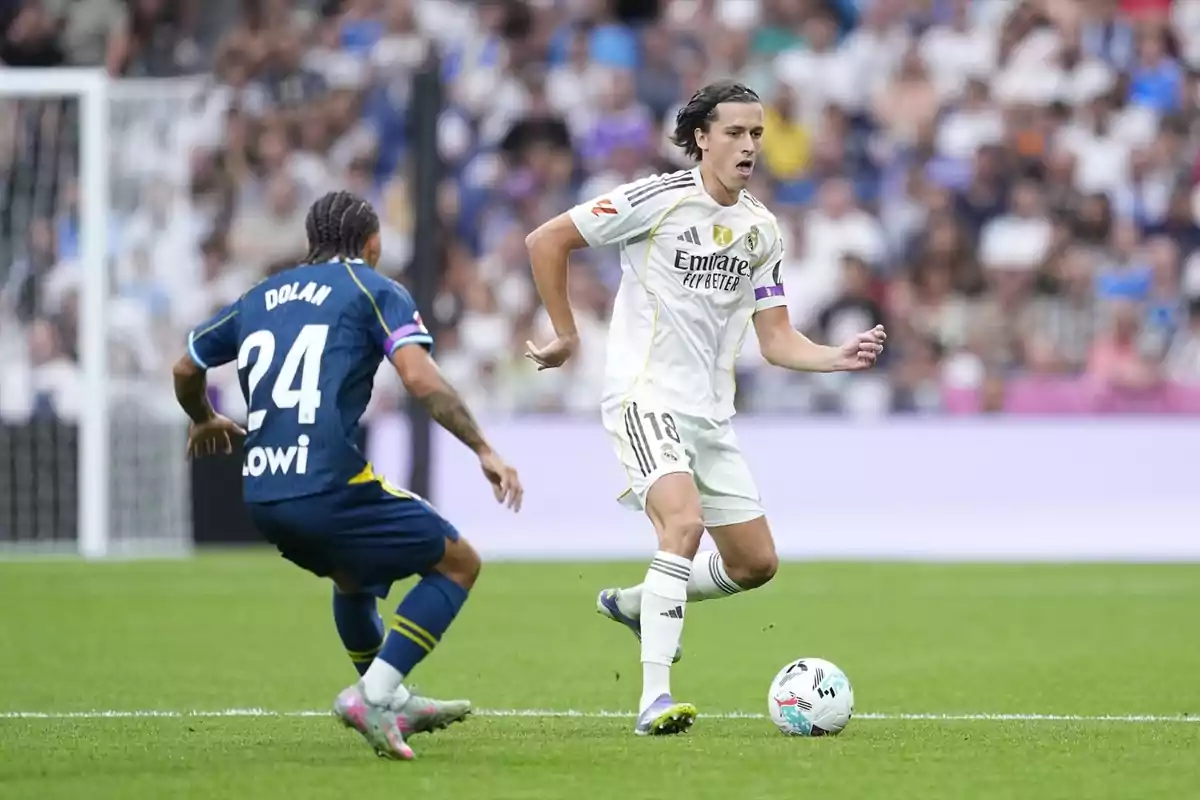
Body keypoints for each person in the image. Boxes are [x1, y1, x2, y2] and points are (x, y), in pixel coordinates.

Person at [524, 81, 886, 736]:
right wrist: (567, 333)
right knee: (682, 529)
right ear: (699, 138)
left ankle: (642, 601)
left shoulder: (761, 230)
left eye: (757, 134)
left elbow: (776, 340)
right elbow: (545, 240)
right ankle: (653, 699)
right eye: (735, 133)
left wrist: (836, 355)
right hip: (643, 394)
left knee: (755, 564)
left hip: (709, 413)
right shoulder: (655, 200)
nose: (749, 146)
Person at [171, 191, 523, 760]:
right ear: (371, 242)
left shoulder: (258, 297)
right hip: (326, 481)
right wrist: (482, 447)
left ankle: (394, 698)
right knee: (459, 564)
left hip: (262, 492)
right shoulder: (372, 287)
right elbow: (421, 378)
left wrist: (204, 418)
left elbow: (186, 365)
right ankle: (375, 692)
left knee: (352, 579)